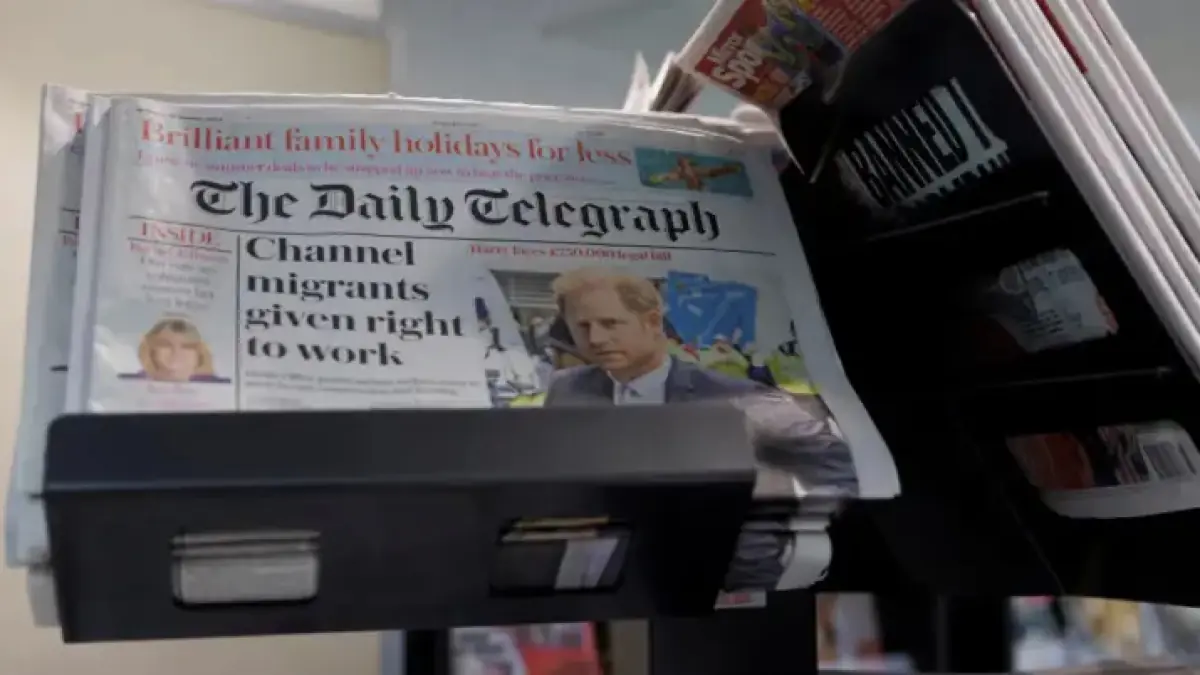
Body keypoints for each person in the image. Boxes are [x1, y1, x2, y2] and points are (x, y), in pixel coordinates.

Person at [132, 317, 218, 382]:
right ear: (151, 350)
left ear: (200, 353)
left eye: (187, 346)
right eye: (166, 345)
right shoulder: (132, 384)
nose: (176, 352)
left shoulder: (218, 388)